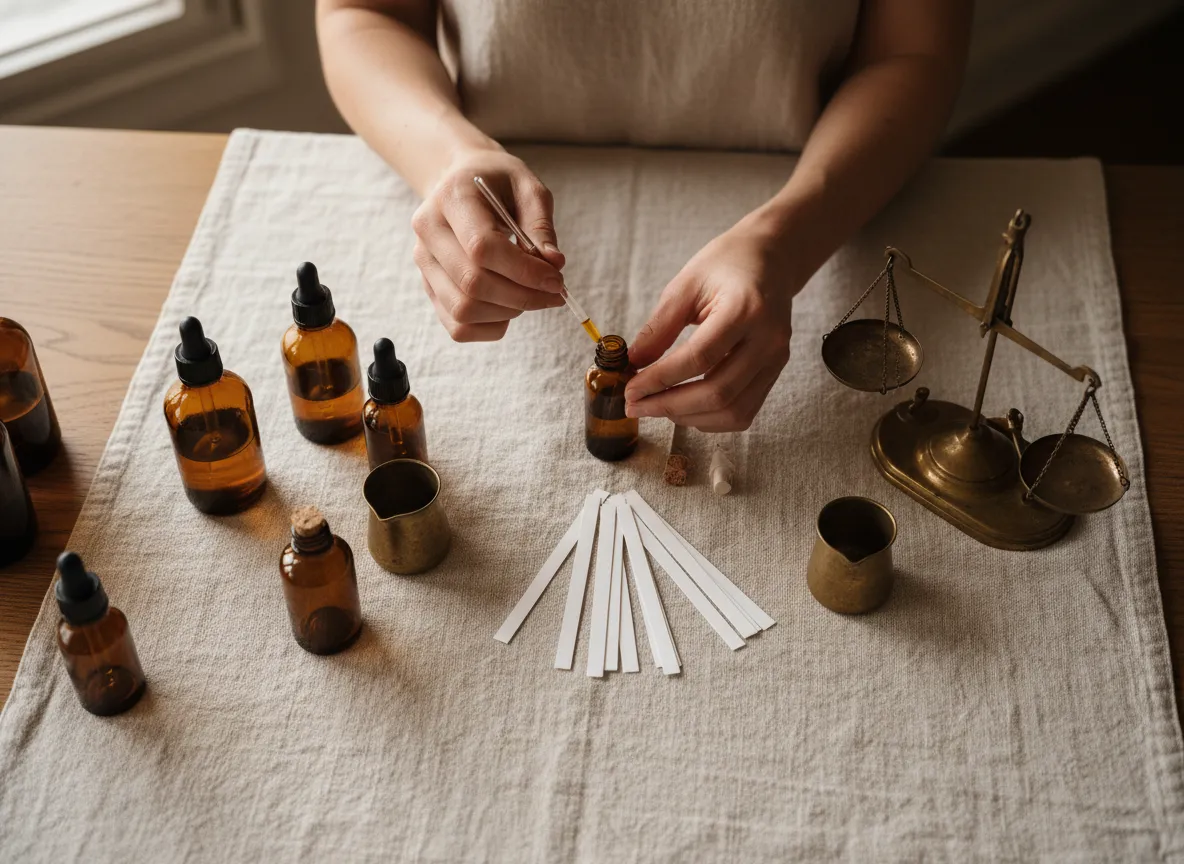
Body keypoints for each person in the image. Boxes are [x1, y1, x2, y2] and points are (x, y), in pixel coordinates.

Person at [316, 0, 973, 432]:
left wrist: (787, 239)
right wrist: (448, 156)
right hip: (496, 181)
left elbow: (912, 51)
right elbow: (365, 12)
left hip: (820, 175)